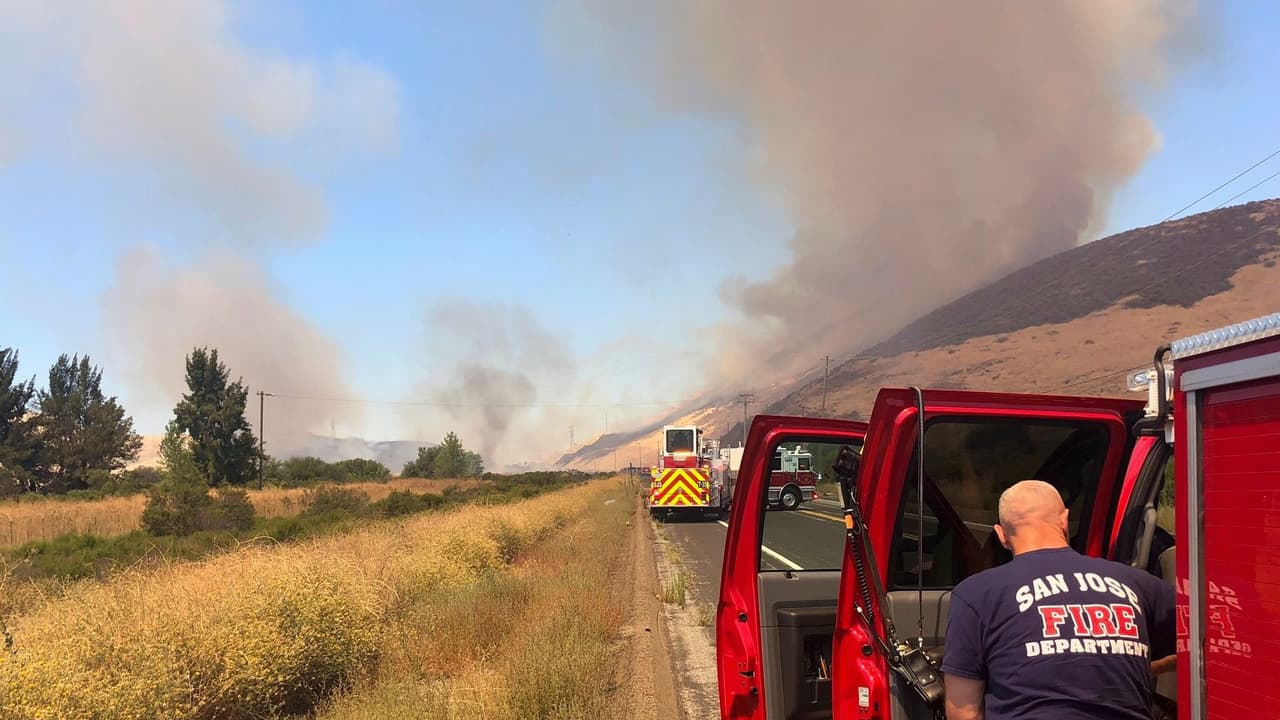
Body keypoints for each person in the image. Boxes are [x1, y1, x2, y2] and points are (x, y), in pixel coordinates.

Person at [941, 480, 1176, 720]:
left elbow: (963, 709)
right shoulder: (1138, 584)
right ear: (1064, 521)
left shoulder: (976, 594)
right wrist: (1135, 665)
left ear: (1001, 535)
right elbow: (1205, 640)